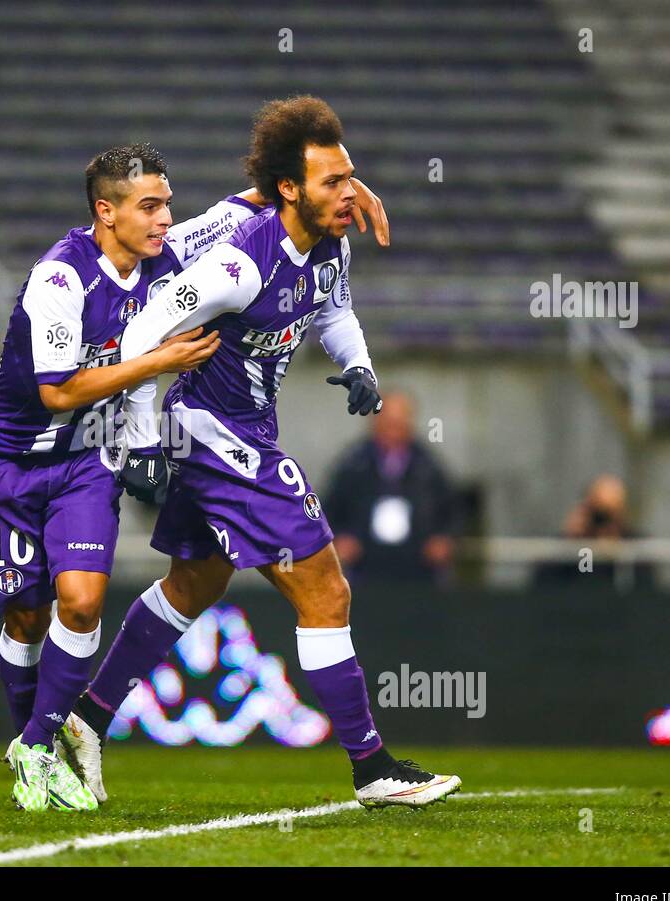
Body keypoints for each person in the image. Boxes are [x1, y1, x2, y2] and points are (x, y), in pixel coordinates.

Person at [58, 95, 460, 808]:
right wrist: (142, 431)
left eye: (351, 178)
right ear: (287, 190)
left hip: (242, 427)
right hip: (213, 432)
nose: (348, 195)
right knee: (327, 589)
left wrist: (359, 364)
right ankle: (372, 768)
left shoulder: (329, 242)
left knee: (197, 582)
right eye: (332, 183)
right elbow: (149, 325)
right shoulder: (240, 262)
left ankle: (86, 720)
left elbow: (334, 309)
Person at [0, 142, 271, 811]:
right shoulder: (61, 280)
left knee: (80, 601)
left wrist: (325, 188)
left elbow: (233, 211)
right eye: (149, 206)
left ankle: (40, 749)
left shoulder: (164, 253)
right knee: (27, 614)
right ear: (106, 212)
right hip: (3, 461)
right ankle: (33, 750)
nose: (164, 218)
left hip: (82, 462)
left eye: (166, 203)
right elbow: (60, 391)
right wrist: (157, 364)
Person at [326, 390, 457, 585]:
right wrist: (339, 539)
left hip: (418, 571)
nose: (393, 430)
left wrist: (444, 540)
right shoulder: (353, 464)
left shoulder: (428, 466)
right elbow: (328, 508)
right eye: (388, 423)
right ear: (374, 422)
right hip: (364, 570)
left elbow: (452, 510)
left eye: (399, 423)